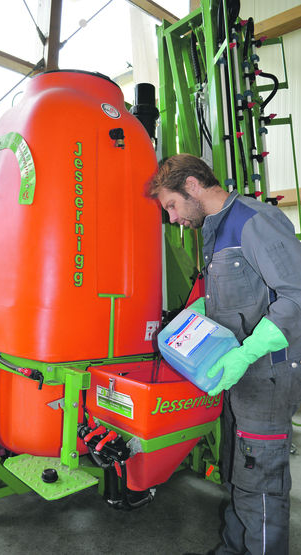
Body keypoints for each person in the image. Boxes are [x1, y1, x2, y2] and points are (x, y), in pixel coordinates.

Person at [148, 153, 301, 555]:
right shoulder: (214, 230)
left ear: (193, 186)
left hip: (266, 373)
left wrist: (244, 353)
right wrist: (194, 315)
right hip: (239, 376)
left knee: (260, 483)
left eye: (171, 205)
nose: (172, 218)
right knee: (238, 472)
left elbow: (295, 295)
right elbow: (231, 297)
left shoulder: (253, 220)